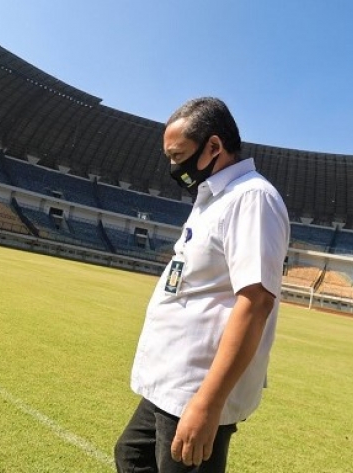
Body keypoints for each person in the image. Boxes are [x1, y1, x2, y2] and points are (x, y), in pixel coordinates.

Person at [115, 97, 290, 472]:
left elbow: (256, 303)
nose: (173, 167)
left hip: (196, 387)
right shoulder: (213, 198)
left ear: (214, 146)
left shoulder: (252, 198)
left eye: (178, 156)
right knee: (131, 456)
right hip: (172, 380)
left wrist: (207, 405)